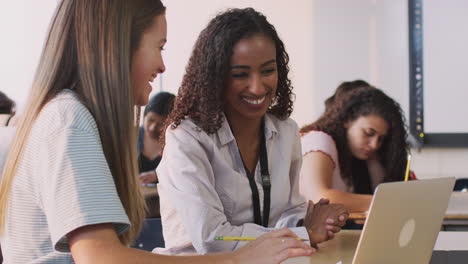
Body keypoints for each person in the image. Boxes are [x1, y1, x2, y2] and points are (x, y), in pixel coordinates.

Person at [0, 1, 315, 263]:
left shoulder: (66, 114)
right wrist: (239, 258)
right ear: (118, 47)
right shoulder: (69, 119)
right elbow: (101, 258)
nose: (163, 66)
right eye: (159, 47)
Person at [156, 8, 348, 256]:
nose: (257, 87)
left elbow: (289, 211)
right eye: (240, 74)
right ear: (215, 76)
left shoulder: (285, 131)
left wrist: (307, 220)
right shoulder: (187, 138)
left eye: (268, 70)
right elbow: (213, 237)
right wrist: (304, 234)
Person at [300, 86, 409, 213]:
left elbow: (378, 187)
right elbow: (320, 198)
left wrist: (373, 159)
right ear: (347, 119)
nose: (374, 144)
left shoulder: (348, 152)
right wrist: (387, 202)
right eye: (369, 133)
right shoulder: (319, 139)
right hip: (297, 231)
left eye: (381, 139)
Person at [138, 91, 175, 184]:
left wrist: (158, 175)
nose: (152, 128)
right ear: (144, 115)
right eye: (150, 120)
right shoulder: (132, 136)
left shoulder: (176, 141)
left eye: (161, 124)